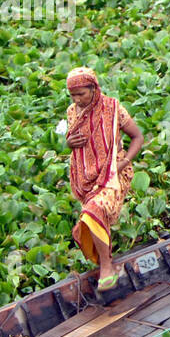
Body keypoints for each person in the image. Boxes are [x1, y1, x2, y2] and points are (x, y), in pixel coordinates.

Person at [63, 67, 144, 291]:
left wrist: (124, 162)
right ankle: (103, 259)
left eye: (82, 94)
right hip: (86, 175)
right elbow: (72, 140)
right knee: (92, 217)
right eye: (73, 95)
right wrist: (69, 143)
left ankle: (107, 267)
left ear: (94, 89)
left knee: (94, 210)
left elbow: (137, 137)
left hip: (113, 173)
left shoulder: (113, 108)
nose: (78, 100)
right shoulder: (72, 111)